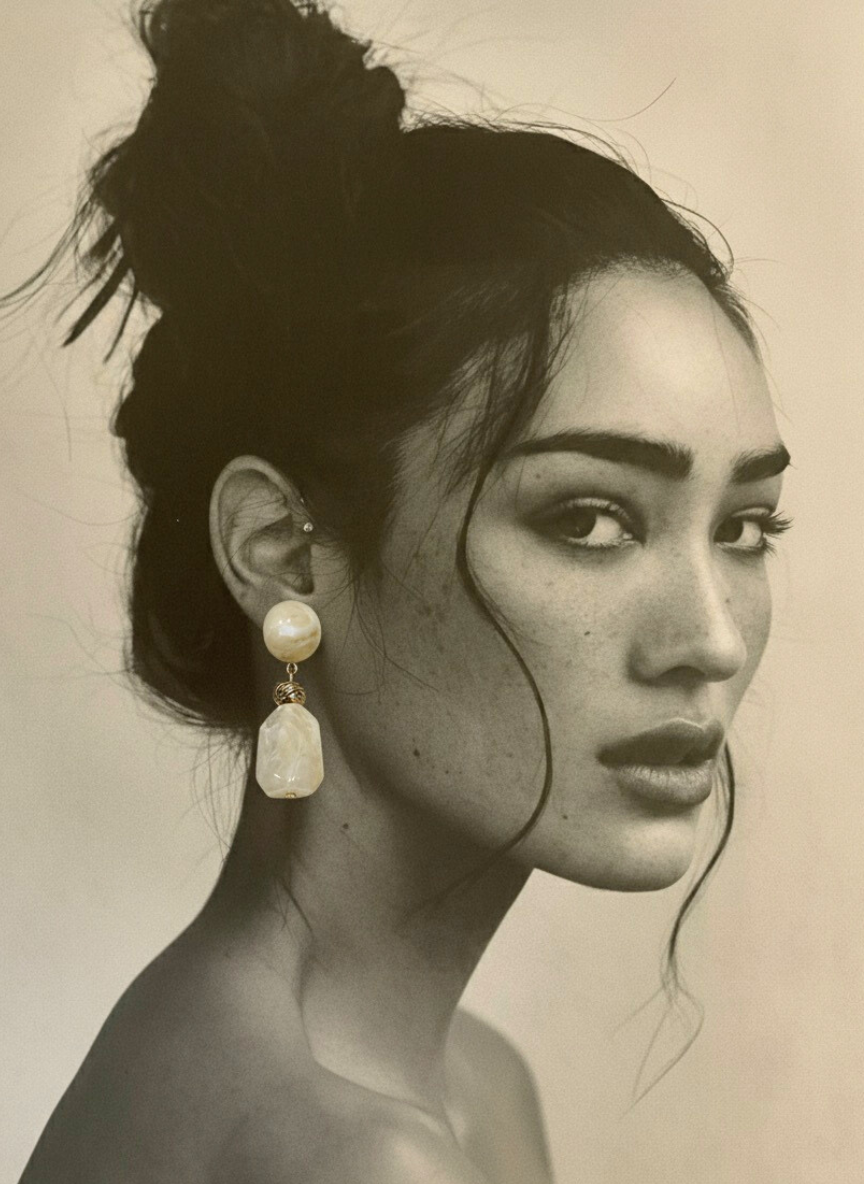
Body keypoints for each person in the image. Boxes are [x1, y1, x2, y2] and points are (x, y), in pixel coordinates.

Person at [14, 1, 792, 1180]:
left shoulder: (443, 1075)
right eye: (588, 517)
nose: (711, 637)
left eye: (745, 526)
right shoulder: (350, 1151)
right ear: (282, 548)